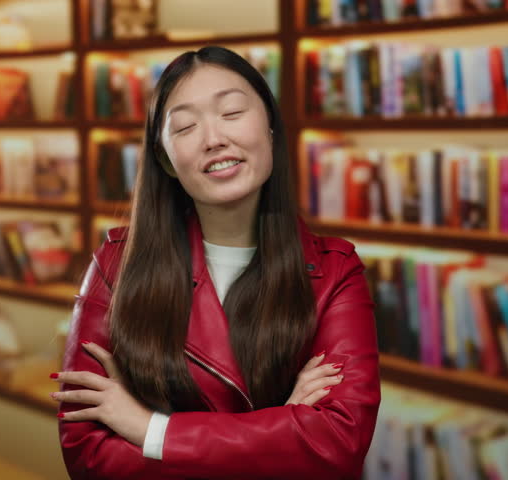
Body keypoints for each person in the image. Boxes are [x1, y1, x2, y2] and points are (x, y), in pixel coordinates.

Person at [50, 46, 380, 479]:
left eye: (232, 112)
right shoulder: (115, 266)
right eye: (185, 126)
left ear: (270, 127)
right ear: (165, 159)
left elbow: (339, 441)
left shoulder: (336, 270)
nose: (213, 138)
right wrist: (285, 427)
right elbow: (89, 457)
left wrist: (151, 431)